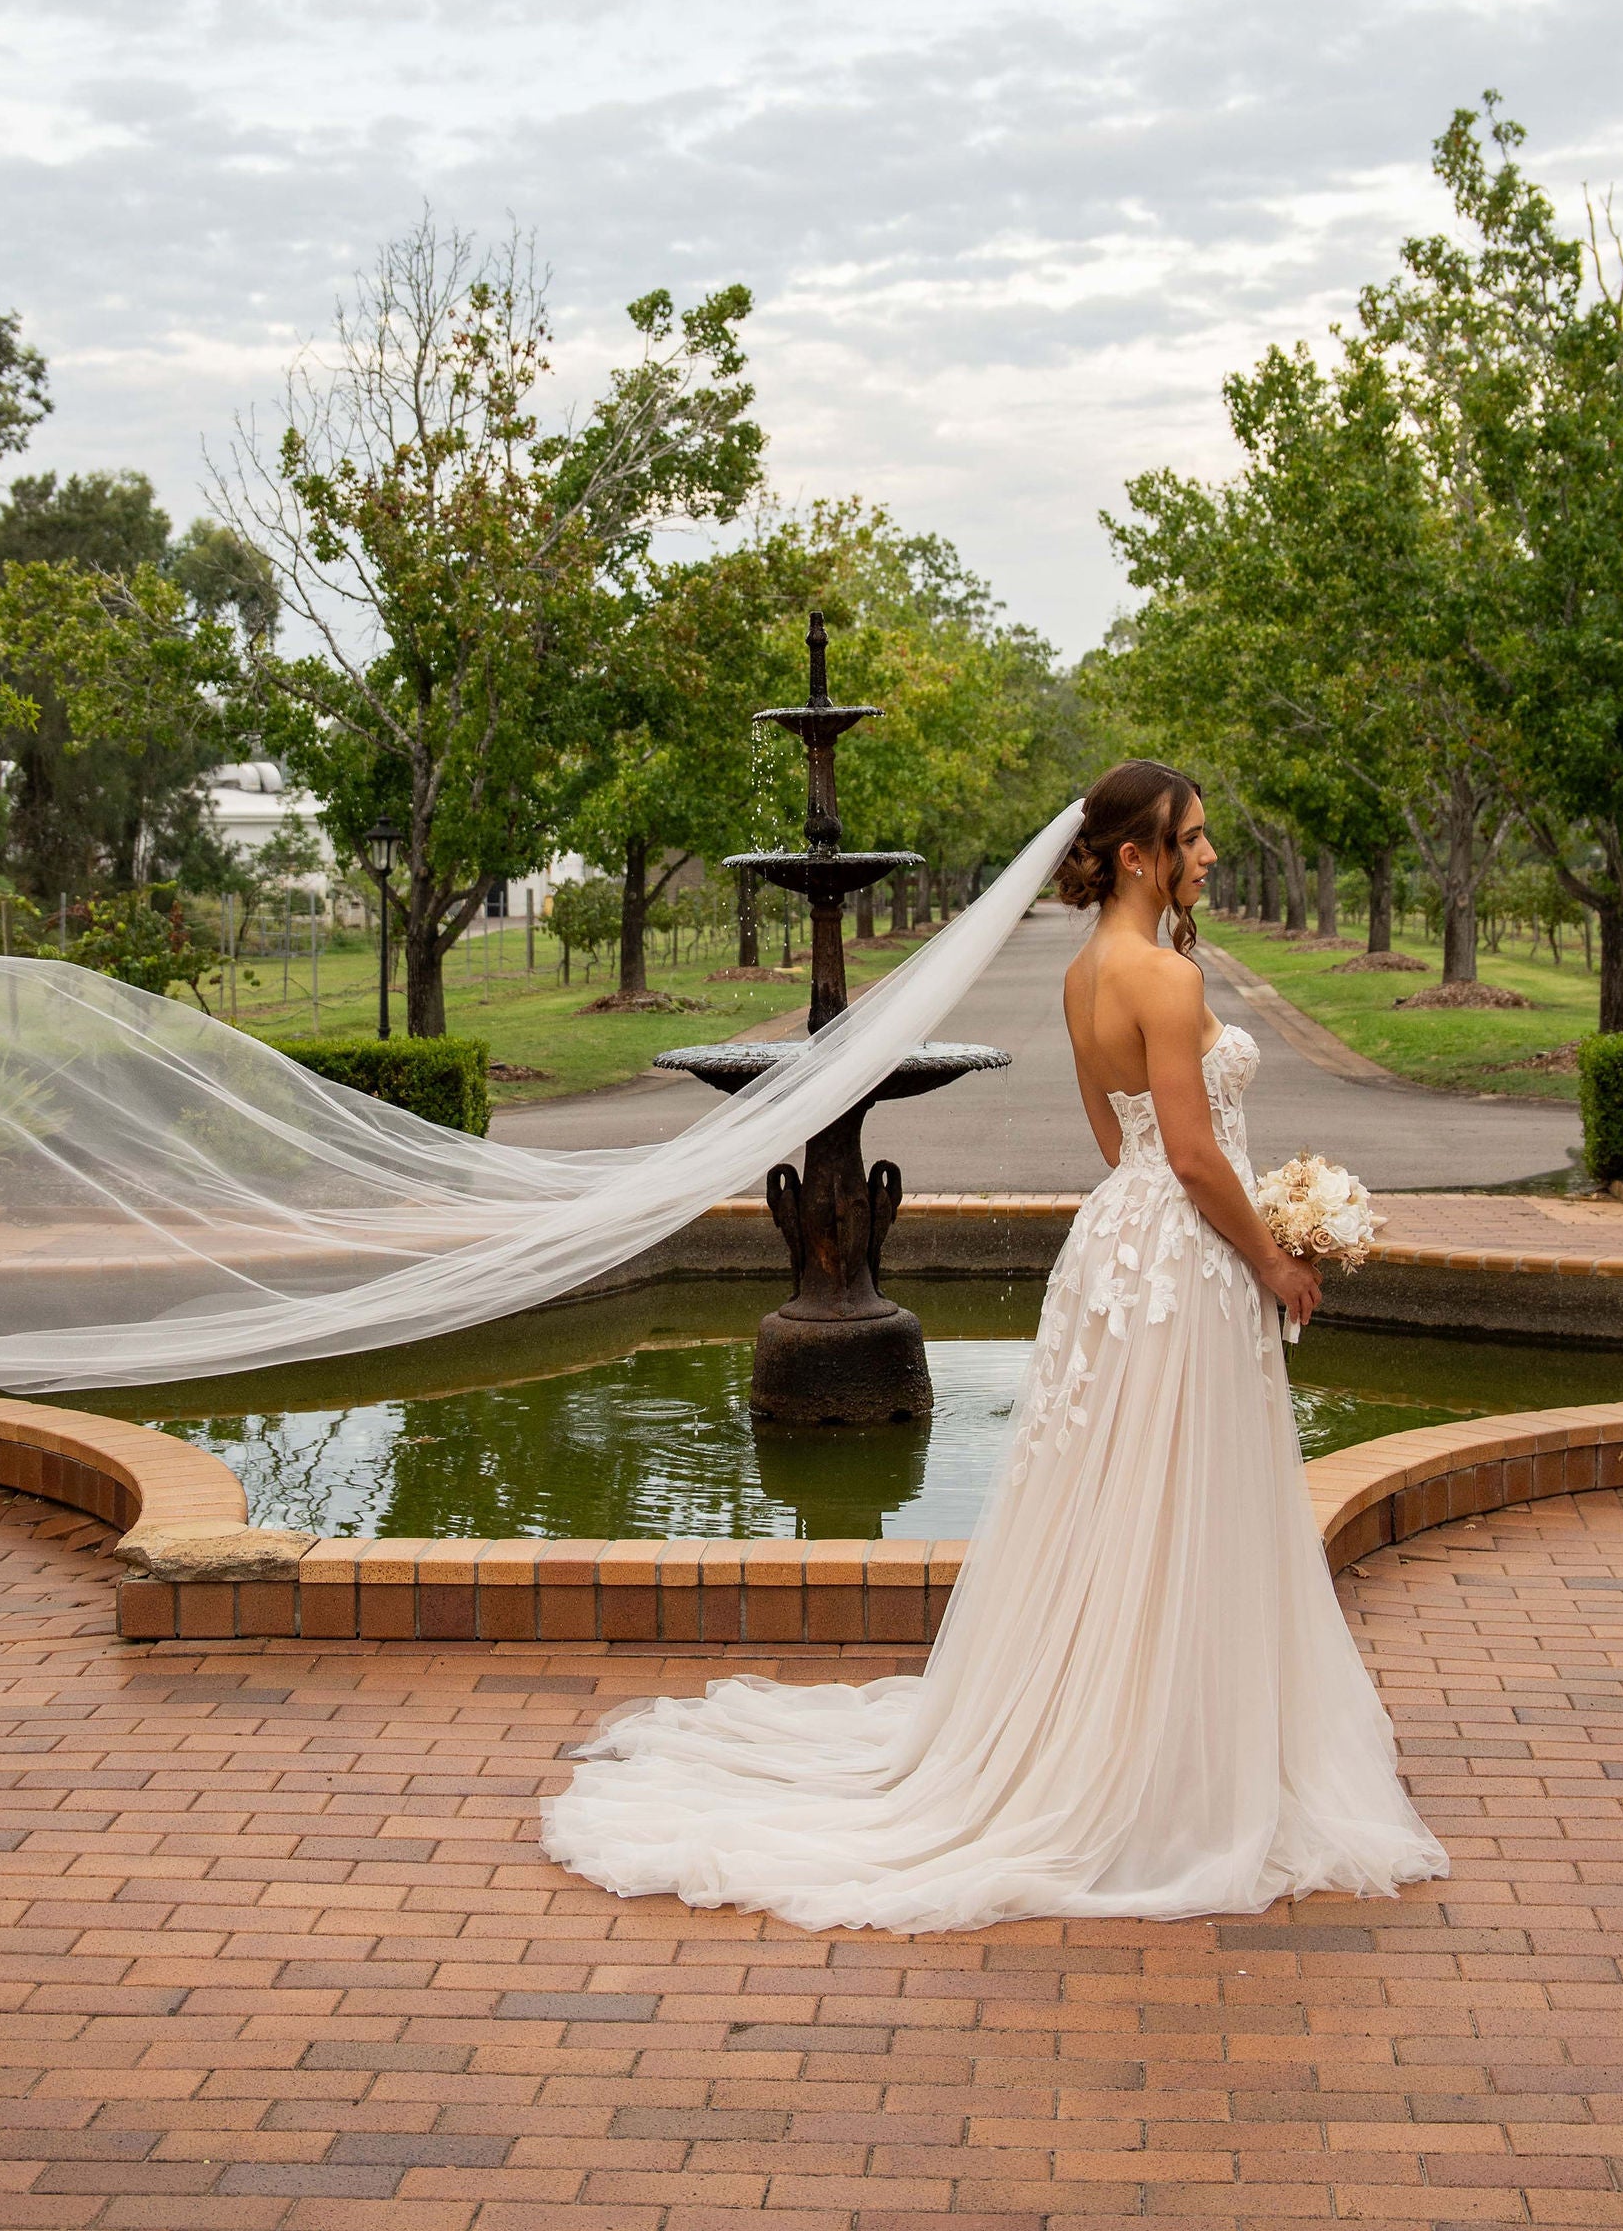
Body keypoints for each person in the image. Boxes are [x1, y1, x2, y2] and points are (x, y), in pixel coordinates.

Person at [542, 760, 1446, 1933]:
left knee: (1122, 1496)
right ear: (1136, 855)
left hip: (1122, 1242)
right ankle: (1163, 1761)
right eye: (1195, 838)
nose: (1209, 855)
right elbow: (1185, 1151)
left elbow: (1114, 1137)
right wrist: (1273, 1257)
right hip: (1177, 1255)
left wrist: (1218, 1221)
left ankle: (1128, 1727)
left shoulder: (1085, 975)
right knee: (1180, 1495)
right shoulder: (1163, 977)